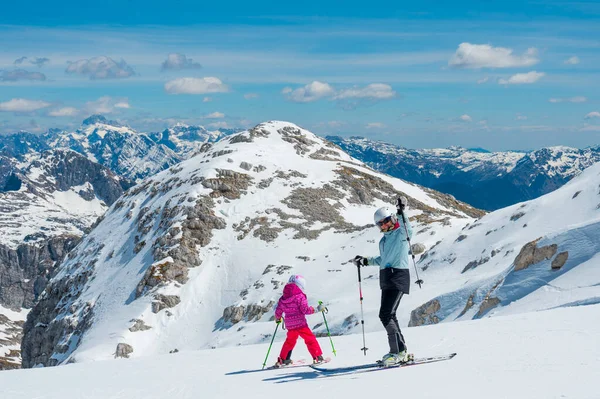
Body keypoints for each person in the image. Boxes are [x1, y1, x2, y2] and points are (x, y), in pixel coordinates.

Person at [353, 197, 413, 367]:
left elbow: (409, 229)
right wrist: (365, 261)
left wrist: (402, 211)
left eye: (387, 221)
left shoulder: (401, 234)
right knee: (389, 315)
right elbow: (383, 259)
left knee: (385, 314)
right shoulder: (384, 240)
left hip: (398, 277)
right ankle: (401, 351)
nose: (385, 226)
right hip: (386, 278)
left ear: (392, 218)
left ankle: (397, 352)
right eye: (381, 224)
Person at [273, 274, 326, 367]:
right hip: (301, 324)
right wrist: (317, 309)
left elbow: (278, 311)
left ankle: (283, 360)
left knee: (289, 342)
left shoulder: (283, 298)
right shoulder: (300, 296)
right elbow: (305, 310)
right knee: (310, 339)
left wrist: (278, 318)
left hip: (290, 325)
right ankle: (317, 357)